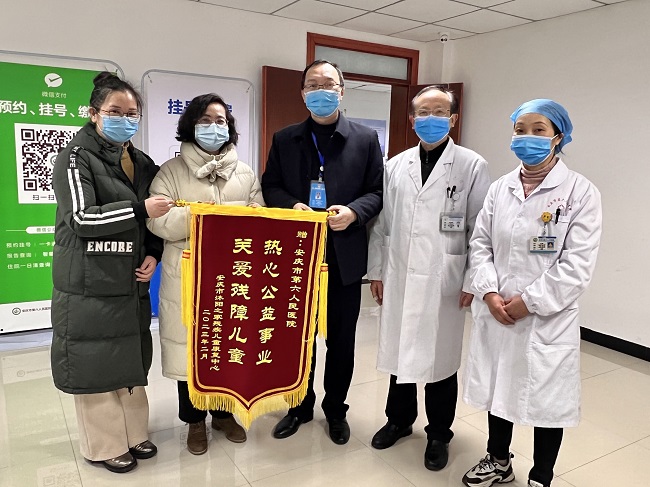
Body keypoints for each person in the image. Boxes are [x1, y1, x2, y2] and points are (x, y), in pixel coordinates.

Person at [461, 99, 602, 487]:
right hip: (497, 309)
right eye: (520, 130)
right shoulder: (499, 189)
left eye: (539, 130)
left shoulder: (580, 192)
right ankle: (498, 461)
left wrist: (529, 301)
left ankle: (541, 476)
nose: (527, 137)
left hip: (547, 317)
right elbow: (480, 244)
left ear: (558, 137)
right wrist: (489, 292)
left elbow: (577, 264)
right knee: (498, 388)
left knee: (546, 399)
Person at [51, 72, 172, 473]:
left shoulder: (142, 162)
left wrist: (153, 253)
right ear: (94, 113)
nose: (125, 119)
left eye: (132, 113)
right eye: (114, 111)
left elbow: (153, 222)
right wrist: (139, 209)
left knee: (129, 357)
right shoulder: (74, 156)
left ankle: (134, 433)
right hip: (88, 281)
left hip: (129, 278)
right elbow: (82, 218)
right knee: (94, 361)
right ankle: (103, 445)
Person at [367, 86, 490, 470]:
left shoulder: (471, 165)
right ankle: (399, 421)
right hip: (400, 272)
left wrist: (472, 279)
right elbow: (383, 224)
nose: (430, 119)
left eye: (439, 112)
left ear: (453, 118)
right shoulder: (395, 165)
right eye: (423, 112)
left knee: (440, 360)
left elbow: (479, 230)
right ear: (412, 119)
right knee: (400, 351)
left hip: (444, 278)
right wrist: (376, 271)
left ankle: (438, 433)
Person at [261, 59, 383, 445]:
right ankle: (299, 406)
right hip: (297, 259)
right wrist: (291, 206)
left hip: (344, 258)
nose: (321, 91)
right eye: (313, 85)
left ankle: (335, 409)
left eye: (328, 84)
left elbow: (377, 192)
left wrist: (354, 212)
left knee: (341, 341)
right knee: (298, 338)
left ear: (341, 91)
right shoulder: (285, 139)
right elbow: (270, 185)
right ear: (302, 94)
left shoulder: (364, 139)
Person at [147, 93, 263, 455]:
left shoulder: (245, 172)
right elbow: (157, 221)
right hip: (188, 274)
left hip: (232, 274)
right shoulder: (170, 171)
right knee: (189, 349)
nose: (214, 127)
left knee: (227, 346)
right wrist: (200, 216)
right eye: (206, 121)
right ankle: (194, 420)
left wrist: (246, 215)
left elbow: (260, 216)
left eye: (221, 121)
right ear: (190, 126)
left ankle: (224, 415)